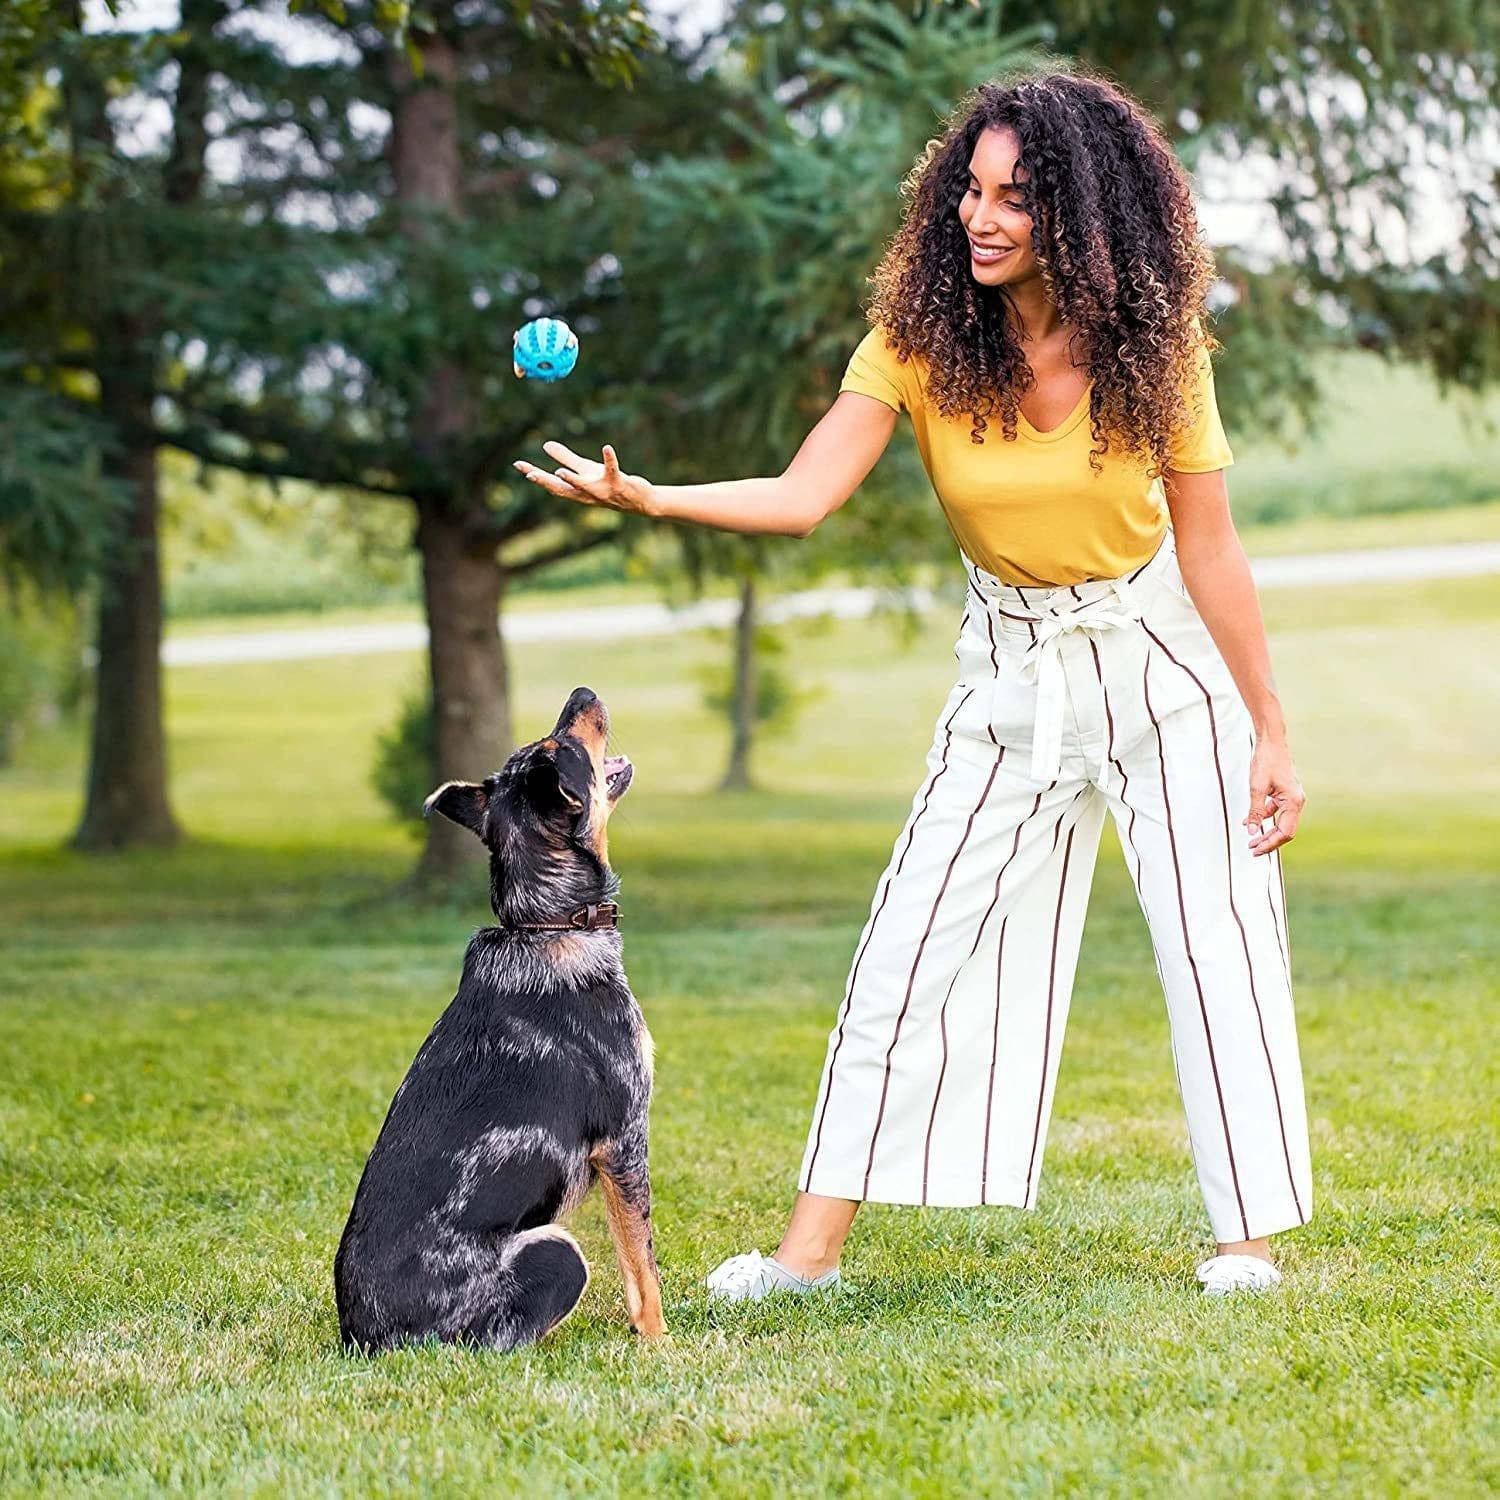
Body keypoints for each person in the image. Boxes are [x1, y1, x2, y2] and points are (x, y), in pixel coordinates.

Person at [513, 69, 1310, 1300]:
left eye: (1016, 200)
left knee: (1218, 944)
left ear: (1087, 217)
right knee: (905, 946)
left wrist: (1268, 726)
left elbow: (1210, 548)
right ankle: (805, 1259)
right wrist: (651, 495)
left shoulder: (1157, 356)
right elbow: (802, 494)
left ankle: (1246, 1245)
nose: (982, 220)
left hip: (1157, 661)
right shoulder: (918, 345)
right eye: (971, 194)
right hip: (1009, 666)